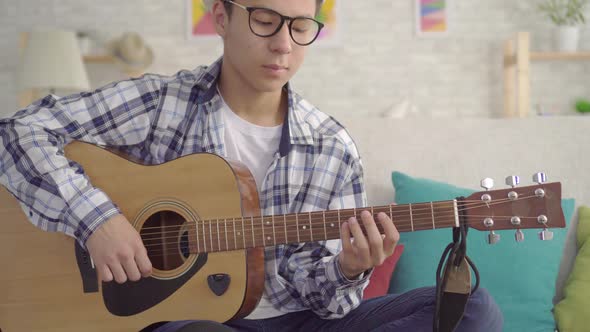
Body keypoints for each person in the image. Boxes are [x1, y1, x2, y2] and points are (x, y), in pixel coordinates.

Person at [0, 0, 503, 331]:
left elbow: (326, 301)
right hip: (187, 321)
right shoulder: (159, 103)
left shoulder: (331, 145)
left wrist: (350, 267)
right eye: (265, 20)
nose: (283, 43)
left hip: (294, 321)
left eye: (300, 26)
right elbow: (18, 132)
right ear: (221, 16)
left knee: (472, 309)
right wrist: (99, 222)